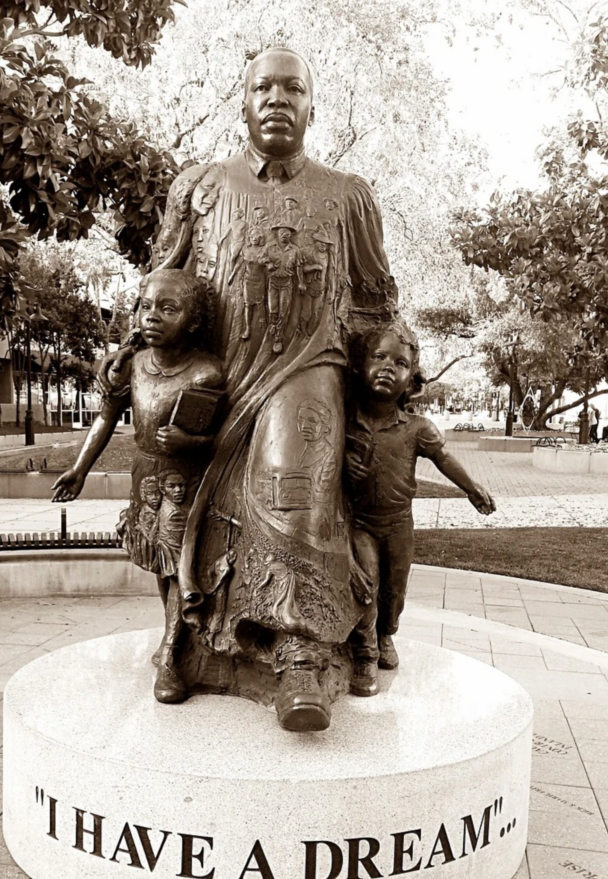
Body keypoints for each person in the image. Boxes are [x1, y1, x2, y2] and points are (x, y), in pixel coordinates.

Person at [102, 47, 398, 732]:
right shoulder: (199, 187)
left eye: (292, 88)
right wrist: (134, 354)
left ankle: (298, 651)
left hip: (307, 368)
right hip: (216, 374)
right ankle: (191, 637)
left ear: (312, 107)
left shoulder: (347, 195)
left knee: (290, 487)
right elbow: (162, 276)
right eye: (262, 86)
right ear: (242, 103)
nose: (276, 98)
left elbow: (376, 301)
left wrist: (380, 394)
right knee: (186, 509)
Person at [52, 269, 224, 703]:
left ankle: (171, 654)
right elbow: (107, 418)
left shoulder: (206, 373)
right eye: (146, 307)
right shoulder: (132, 365)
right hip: (144, 477)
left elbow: (223, 439)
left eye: (168, 309)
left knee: (177, 565)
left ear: (194, 319)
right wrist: (80, 469)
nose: (153, 317)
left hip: (183, 483)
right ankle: (174, 639)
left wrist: (191, 441)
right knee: (158, 565)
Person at [345, 319, 496, 693]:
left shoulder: (416, 427)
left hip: (398, 524)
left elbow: (443, 459)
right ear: (360, 365)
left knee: (394, 591)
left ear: (411, 378)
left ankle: (386, 635)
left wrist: (472, 488)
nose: (387, 368)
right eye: (378, 357)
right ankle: (363, 654)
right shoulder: (344, 423)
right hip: (359, 522)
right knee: (365, 584)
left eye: (399, 363)